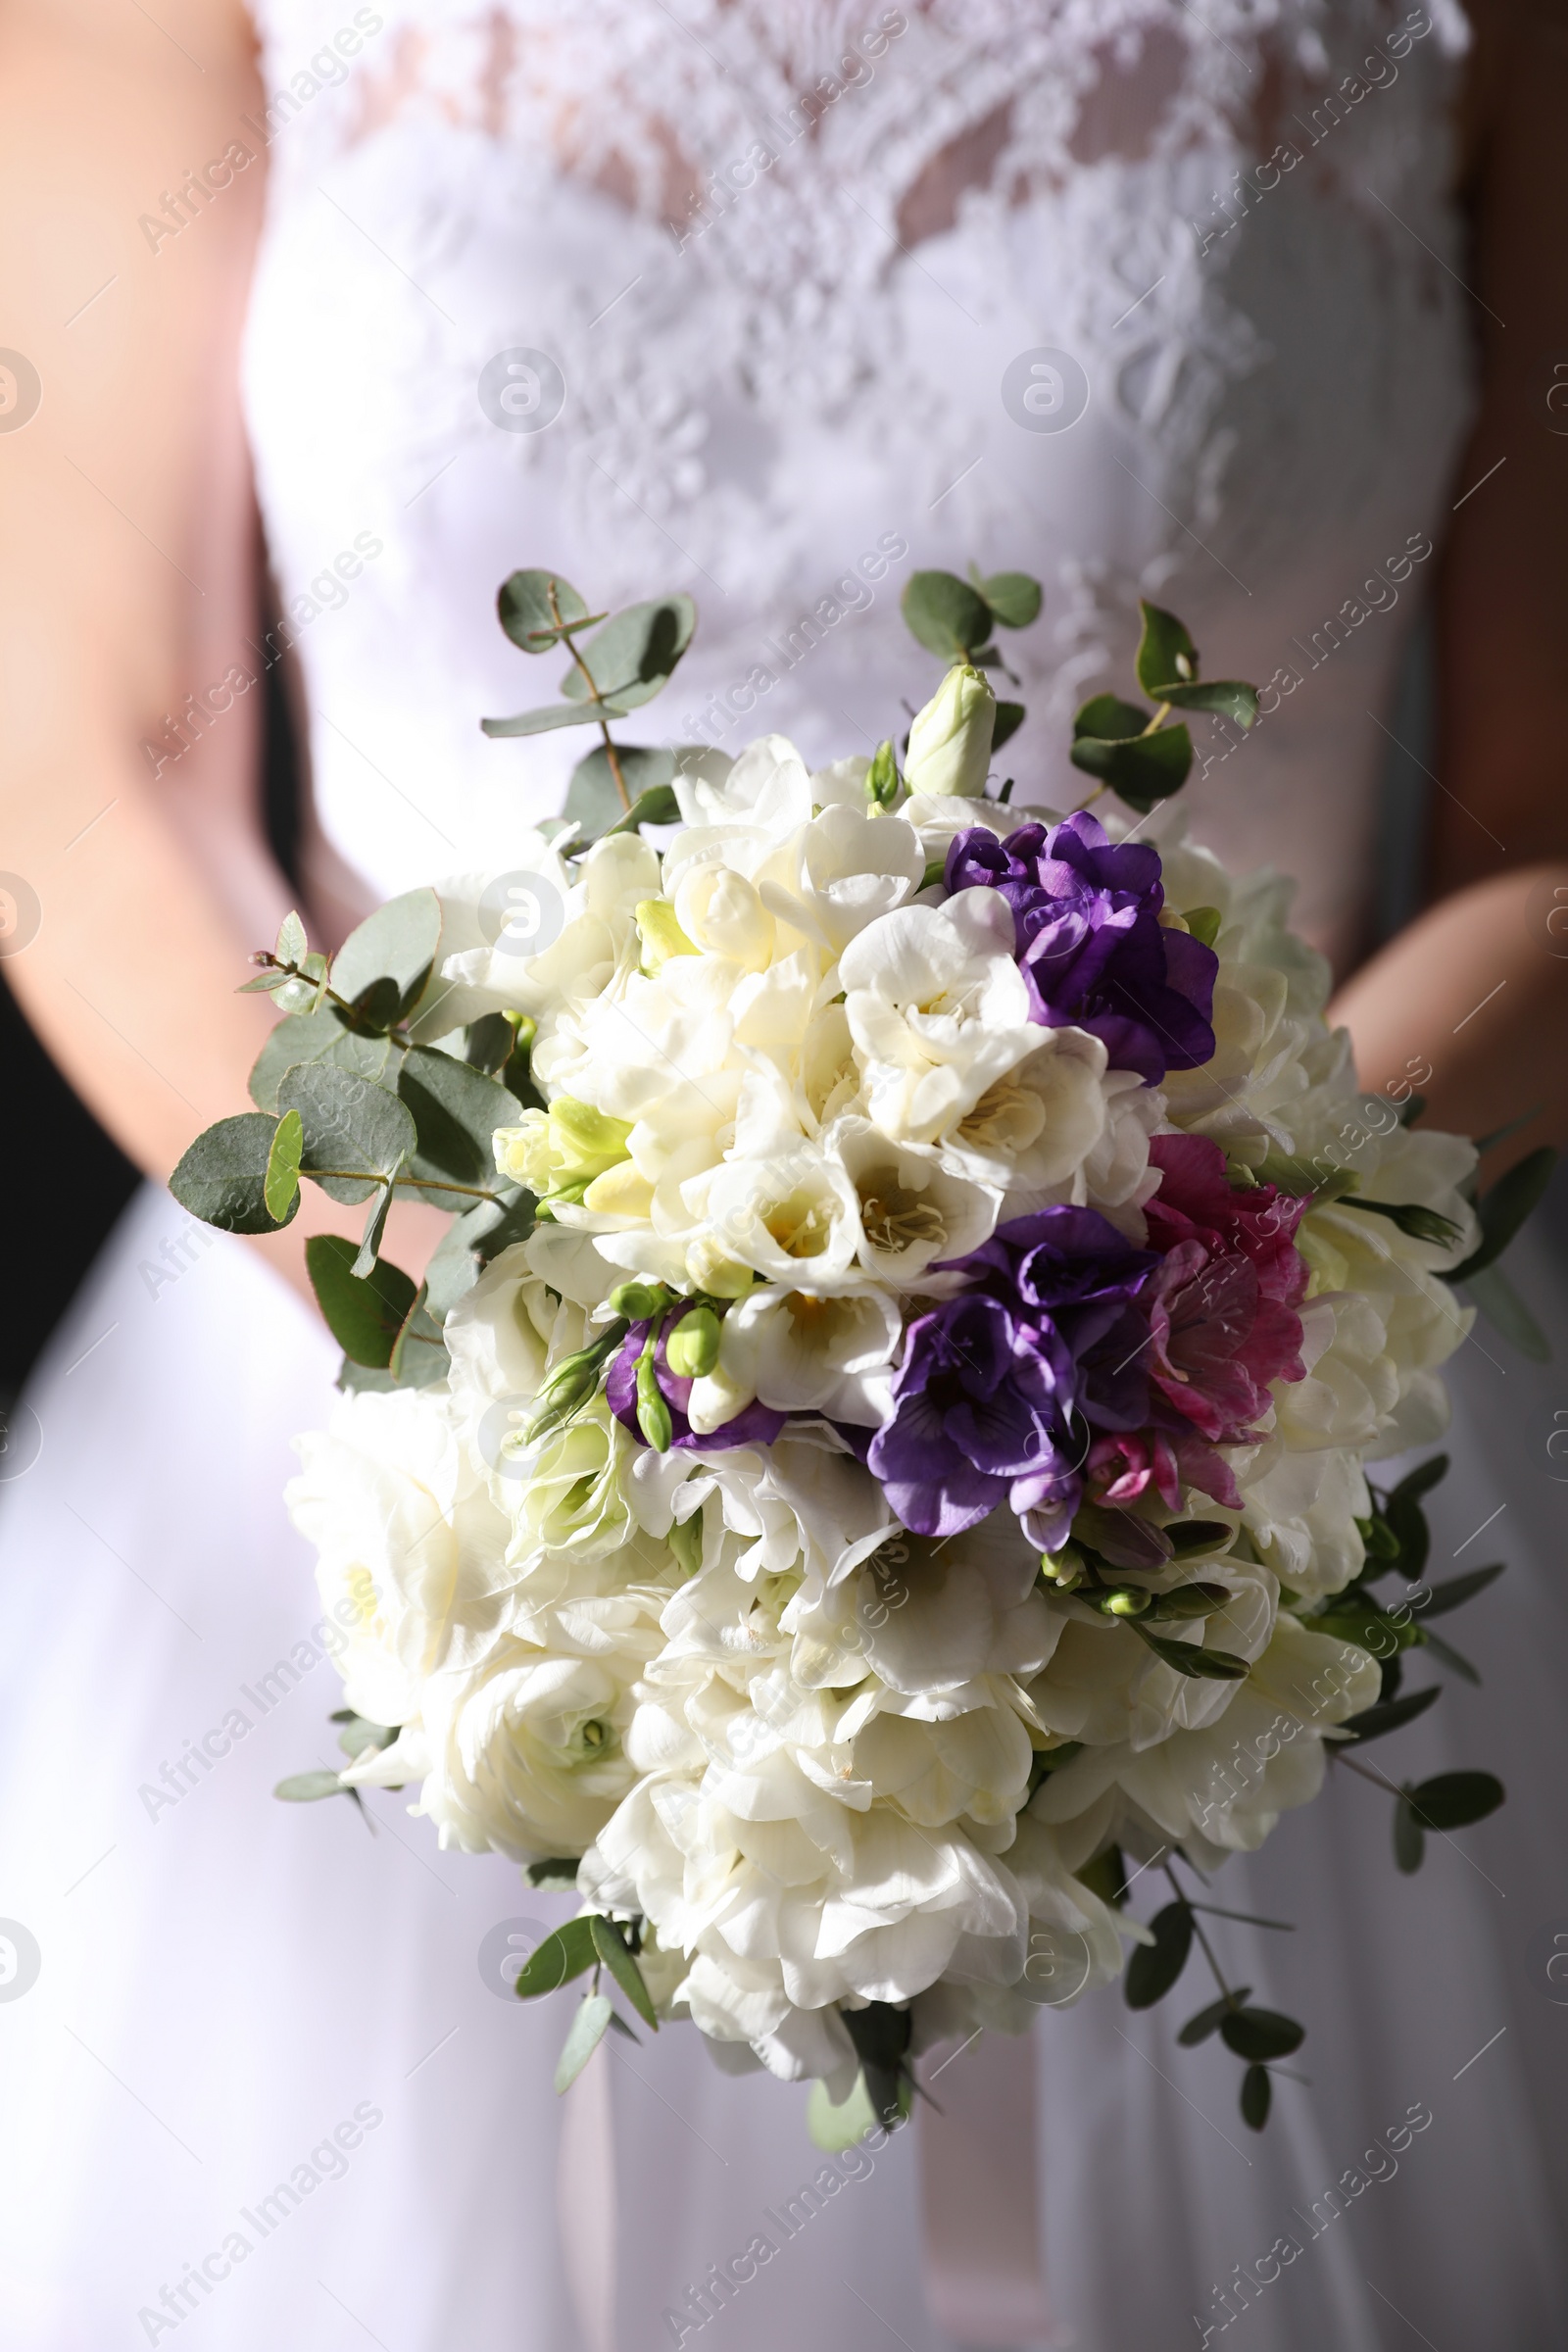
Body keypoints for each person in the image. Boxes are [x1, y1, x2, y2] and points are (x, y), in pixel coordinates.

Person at [1, 2, 1565, 2345]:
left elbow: (1539, 822)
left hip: (1237, 1472)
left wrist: (1187, 1300)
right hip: (375, 1426)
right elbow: (80, 781)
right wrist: (555, 1360)